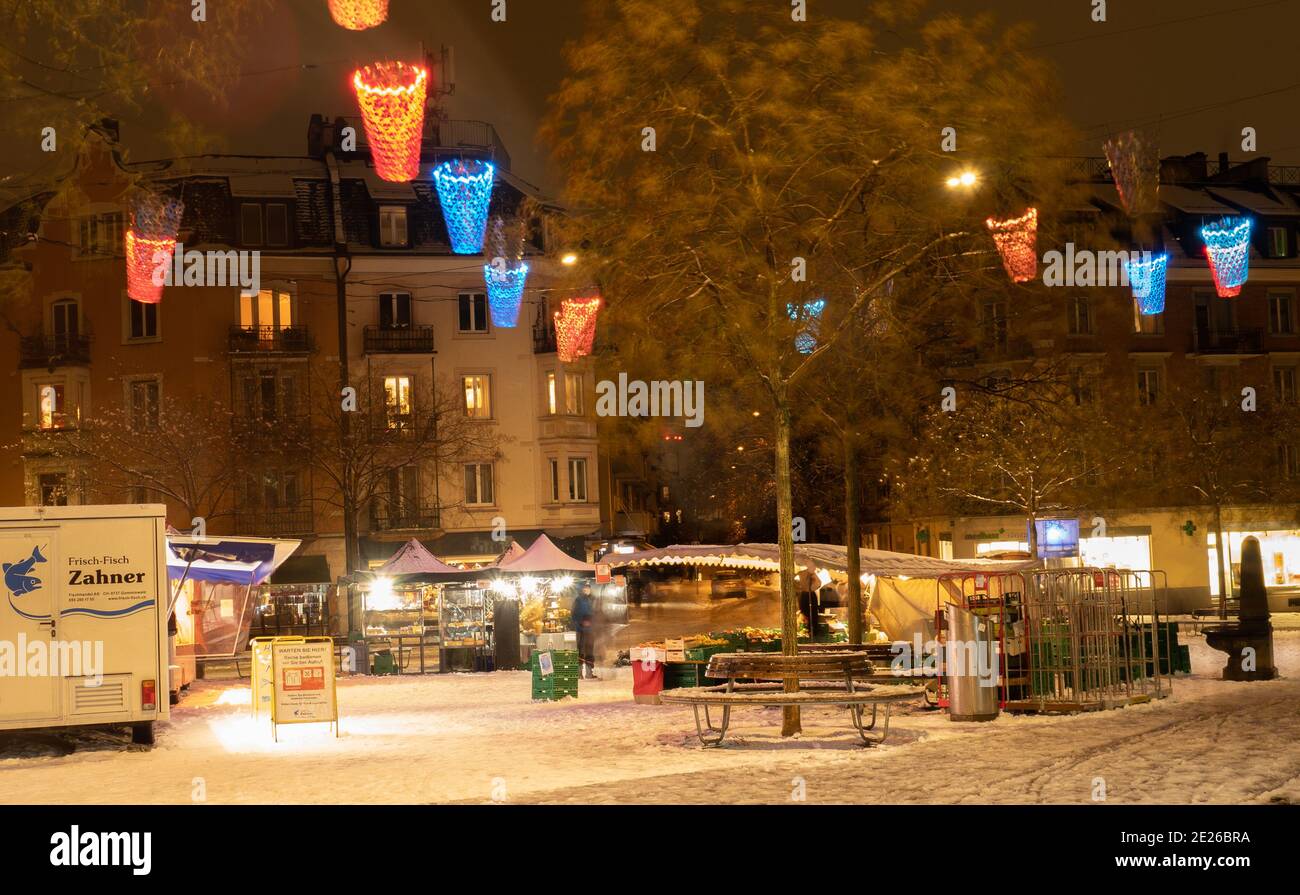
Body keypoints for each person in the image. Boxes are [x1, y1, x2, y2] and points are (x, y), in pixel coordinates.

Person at [571, 584, 598, 679]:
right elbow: (574, 614)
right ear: (581, 589)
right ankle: (579, 673)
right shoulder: (579, 600)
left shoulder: (591, 599)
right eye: (585, 588)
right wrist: (581, 622)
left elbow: (595, 613)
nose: (587, 590)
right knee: (580, 651)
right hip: (581, 630)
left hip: (590, 630)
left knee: (589, 651)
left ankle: (589, 673)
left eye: (588, 588)